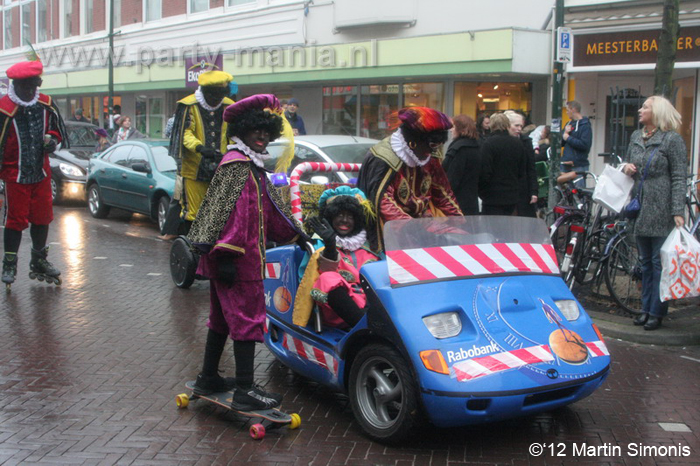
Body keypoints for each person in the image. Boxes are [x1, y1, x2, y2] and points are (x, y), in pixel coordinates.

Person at [187, 94, 308, 410]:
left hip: (232, 260)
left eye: (267, 132)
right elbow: (229, 213)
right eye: (257, 131)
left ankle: (208, 377)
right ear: (241, 131)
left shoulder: (251, 166)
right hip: (237, 262)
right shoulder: (238, 165)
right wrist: (226, 255)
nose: (263, 137)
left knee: (221, 320)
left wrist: (299, 232)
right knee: (247, 320)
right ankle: (244, 389)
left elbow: (270, 212)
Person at [0, 57, 69, 289]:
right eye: (25, 88)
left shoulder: (45, 104)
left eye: (33, 87)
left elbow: (55, 129)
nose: (30, 92)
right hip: (15, 175)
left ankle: (39, 259)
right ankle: (9, 262)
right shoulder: (3, 109)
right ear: (16, 86)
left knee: (42, 217)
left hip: (41, 173)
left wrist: (53, 139)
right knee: (15, 220)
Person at [621, 96, 687, 331]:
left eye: (645, 107)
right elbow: (627, 164)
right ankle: (645, 308)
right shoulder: (636, 136)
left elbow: (680, 176)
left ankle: (656, 312)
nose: (640, 110)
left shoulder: (672, 140)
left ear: (656, 112)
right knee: (645, 263)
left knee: (659, 264)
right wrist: (626, 167)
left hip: (661, 207)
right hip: (639, 206)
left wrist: (677, 210)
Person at [357, 106, 462, 252]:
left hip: (424, 222)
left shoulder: (430, 156)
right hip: (392, 227)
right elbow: (383, 202)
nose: (434, 151)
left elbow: (442, 191)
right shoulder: (383, 158)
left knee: (457, 242)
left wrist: (460, 222)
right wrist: (414, 229)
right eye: (432, 145)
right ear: (413, 142)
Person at [162, 70, 235, 239]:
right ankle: (192, 246)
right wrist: (200, 148)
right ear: (205, 92)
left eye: (220, 95)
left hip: (222, 167)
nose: (217, 100)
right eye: (214, 95)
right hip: (194, 169)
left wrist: (231, 152)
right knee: (193, 212)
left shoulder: (229, 105)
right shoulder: (188, 105)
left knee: (221, 210)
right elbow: (185, 133)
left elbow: (233, 133)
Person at [295, 187, 380, 329]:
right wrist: (329, 244)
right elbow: (318, 275)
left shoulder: (370, 245)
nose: (345, 220)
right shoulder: (319, 243)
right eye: (339, 215)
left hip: (375, 307)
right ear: (330, 217)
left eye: (350, 216)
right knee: (327, 278)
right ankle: (364, 328)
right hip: (341, 311)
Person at [478, 112, 526, 216]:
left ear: (492, 125)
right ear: (507, 125)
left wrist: (482, 191)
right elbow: (522, 170)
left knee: (491, 228)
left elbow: (485, 171)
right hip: (512, 195)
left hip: (492, 195)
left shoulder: (488, 144)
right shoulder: (517, 144)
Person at [442, 115, 481, 215]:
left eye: (453, 127)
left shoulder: (459, 148)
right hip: (471, 199)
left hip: (457, 202)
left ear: (461, 129)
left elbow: (453, 178)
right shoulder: (476, 146)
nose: (451, 130)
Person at [505, 110, 538, 217]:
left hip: (523, 189)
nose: (519, 129)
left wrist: (534, 191)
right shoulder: (499, 142)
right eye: (516, 125)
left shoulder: (526, 141)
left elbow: (531, 168)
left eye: (521, 126)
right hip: (506, 190)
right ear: (507, 126)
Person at [561, 100, 592, 188]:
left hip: (578, 165)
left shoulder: (585, 126)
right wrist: (565, 134)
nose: (566, 113)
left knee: (578, 193)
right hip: (565, 164)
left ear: (573, 109)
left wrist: (568, 138)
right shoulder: (568, 124)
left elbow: (585, 145)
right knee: (564, 193)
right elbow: (561, 142)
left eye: (567, 110)